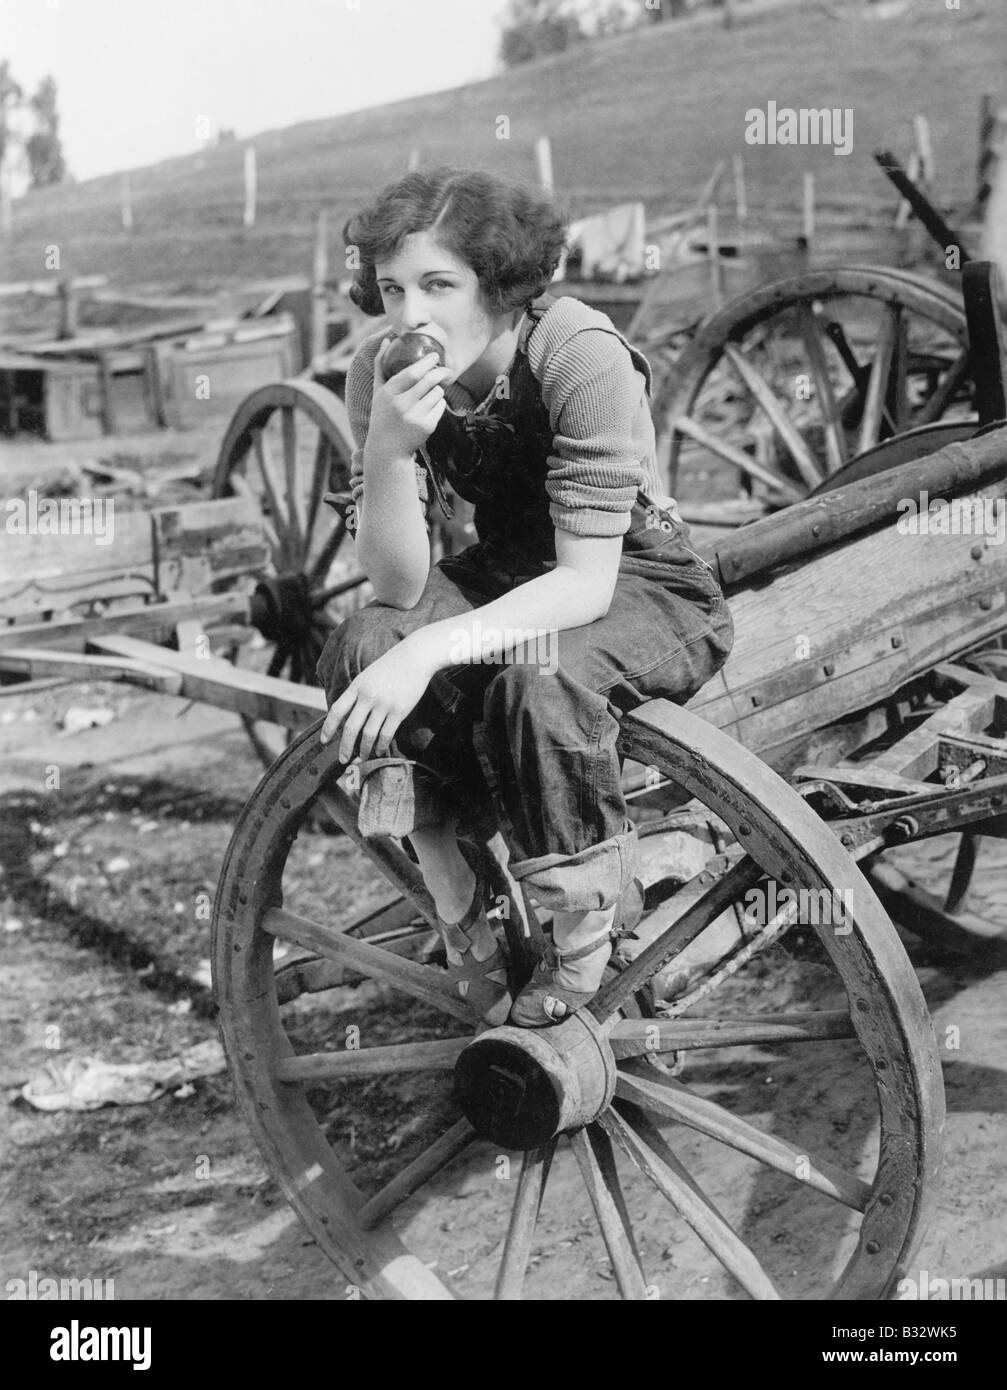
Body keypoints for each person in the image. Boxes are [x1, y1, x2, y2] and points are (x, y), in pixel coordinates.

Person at [316, 166, 733, 1029]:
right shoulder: (379, 372)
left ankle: (583, 932)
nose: (409, 317)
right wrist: (389, 452)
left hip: (634, 579)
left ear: (502, 287)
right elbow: (396, 585)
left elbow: (586, 581)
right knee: (362, 644)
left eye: (438, 285)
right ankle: (458, 901)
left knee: (535, 685)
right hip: (511, 575)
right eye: (392, 289)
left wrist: (430, 648)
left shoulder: (578, 354)